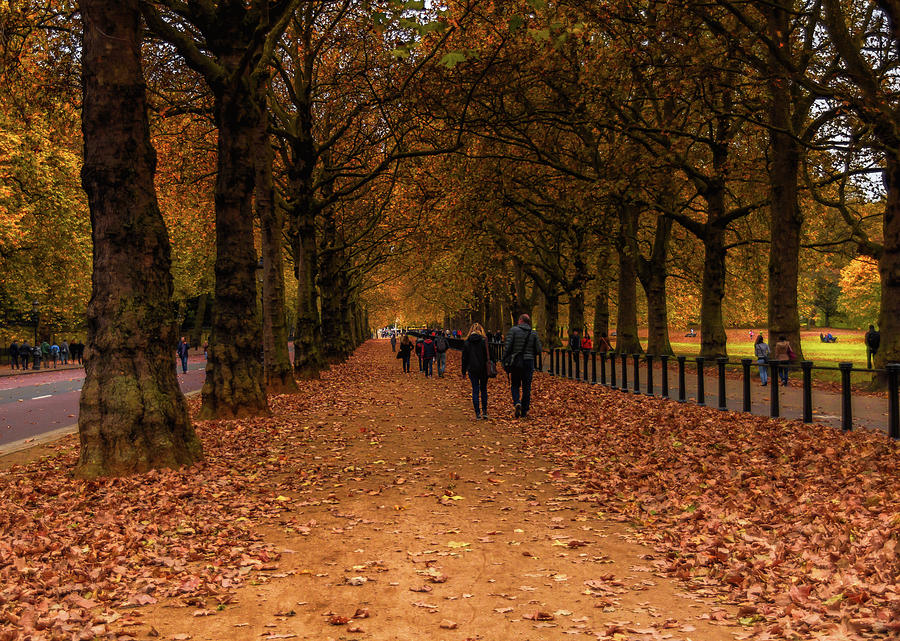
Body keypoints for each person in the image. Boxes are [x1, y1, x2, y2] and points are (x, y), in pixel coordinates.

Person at [503, 314, 542, 418]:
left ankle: (517, 402)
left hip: (516, 361)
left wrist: (504, 359)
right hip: (529, 361)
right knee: (526, 387)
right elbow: (538, 350)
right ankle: (524, 411)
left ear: (520, 320)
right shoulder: (533, 333)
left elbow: (508, 347)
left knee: (515, 384)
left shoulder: (513, 331)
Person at [461, 323, 492, 419]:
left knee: (475, 389)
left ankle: (477, 413)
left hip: (472, 369)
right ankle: (485, 411)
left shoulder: (467, 342)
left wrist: (463, 371)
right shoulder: (484, 341)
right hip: (483, 369)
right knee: (483, 389)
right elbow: (491, 355)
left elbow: (464, 358)